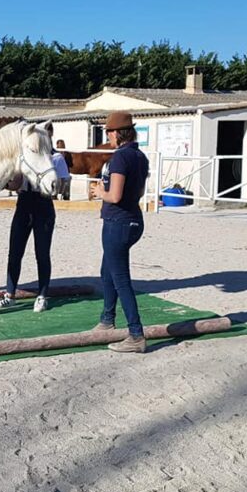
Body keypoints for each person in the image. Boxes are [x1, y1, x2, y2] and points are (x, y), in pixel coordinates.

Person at [0, 124, 70, 313]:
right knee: (14, 251)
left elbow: (61, 185)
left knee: (42, 253)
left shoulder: (56, 158)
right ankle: (9, 294)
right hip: (24, 203)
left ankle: (42, 295)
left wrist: (54, 183)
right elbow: (16, 184)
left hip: (43, 204)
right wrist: (5, 183)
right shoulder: (27, 156)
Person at [90, 111, 150, 353]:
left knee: (121, 278)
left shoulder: (119, 158)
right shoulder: (140, 156)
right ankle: (107, 319)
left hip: (118, 223)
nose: (108, 137)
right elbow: (139, 193)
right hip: (134, 219)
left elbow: (114, 195)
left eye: (108, 132)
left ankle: (136, 334)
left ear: (116, 133)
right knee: (107, 271)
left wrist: (98, 192)